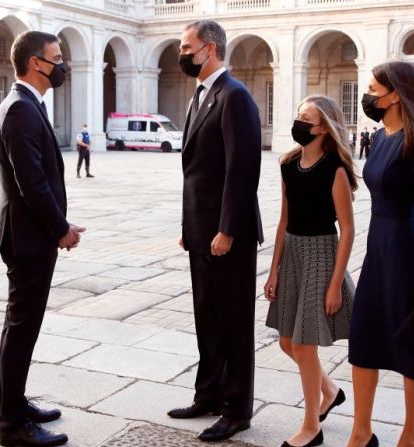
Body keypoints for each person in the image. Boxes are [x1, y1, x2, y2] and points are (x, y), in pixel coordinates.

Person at [168, 20, 264, 443]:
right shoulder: (201, 97)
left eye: (187, 47)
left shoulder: (235, 97)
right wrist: (189, 226)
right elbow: (197, 172)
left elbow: (241, 172)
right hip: (200, 230)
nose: (182, 53)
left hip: (229, 234)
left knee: (234, 320)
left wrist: (226, 229)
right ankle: (208, 393)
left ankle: (238, 408)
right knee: (206, 315)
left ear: (209, 49)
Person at [0, 30, 87, 447]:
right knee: (20, 329)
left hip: (30, 237)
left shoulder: (26, 105)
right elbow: (31, 185)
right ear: (36, 63)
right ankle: (13, 425)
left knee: (22, 329)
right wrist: (60, 229)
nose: (62, 63)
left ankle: (16, 403)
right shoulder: (20, 110)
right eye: (57, 57)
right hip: (28, 240)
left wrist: (59, 225)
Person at [346, 61, 414, 447]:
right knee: (364, 340)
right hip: (377, 249)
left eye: (373, 88)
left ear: (395, 94)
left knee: (412, 344)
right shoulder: (382, 136)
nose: (368, 95)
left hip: (405, 248)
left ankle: (409, 436)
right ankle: (360, 432)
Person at [264, 95, 357, 447]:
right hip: (292, 254)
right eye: (298, 115)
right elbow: (283, 218)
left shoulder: (335, 168)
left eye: (307, 118)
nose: (299, 123)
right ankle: (330, 391)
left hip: (321, 253)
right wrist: (272, 270)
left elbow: (347, 229)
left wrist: (335, 284)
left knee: (304, 344)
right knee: (288, 340)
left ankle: (310, 427)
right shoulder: (288, 164)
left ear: (324, 128)